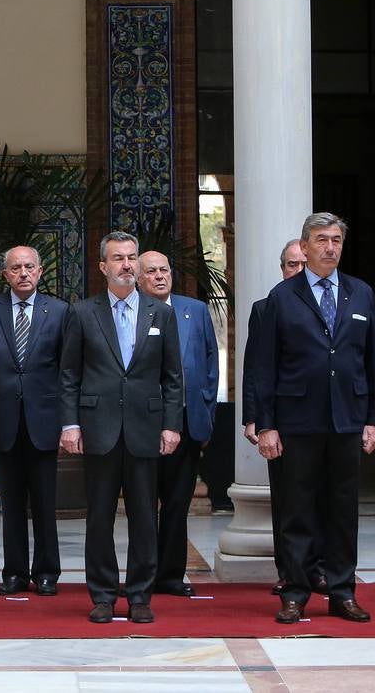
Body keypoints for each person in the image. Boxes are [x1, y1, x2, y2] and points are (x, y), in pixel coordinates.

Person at [247, 212, 375, 624]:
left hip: (347, 418)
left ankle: (342, 592)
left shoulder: (361, 294)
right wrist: (266, 423)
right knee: (296, 510)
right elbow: (263, 367)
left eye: (337, 240)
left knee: (342, 510)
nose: (330, 247)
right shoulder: (282, 297)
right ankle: (294, 591)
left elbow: (373, 358)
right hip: (296, 420)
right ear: (304, 247)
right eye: (322, 240)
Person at [59, 231, 183, 624]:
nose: (126, 265)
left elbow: (173, 376)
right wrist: (71, 424)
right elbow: (68, 376)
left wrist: (171, 425)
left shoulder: (160, 313)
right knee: (99, 517)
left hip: (146, 428)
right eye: (118, 258)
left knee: (145, 517)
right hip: (99, 428)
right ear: (103, 266)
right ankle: (102, 595)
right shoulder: (82, 313)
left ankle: (141, 595)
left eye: (131, 258)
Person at [0, 245, 66, 598]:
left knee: (45, 502)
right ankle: (14, 572)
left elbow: (66, 369)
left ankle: (47, 572)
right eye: (16, 268)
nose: (24, 273)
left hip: (45, 420)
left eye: (30, 267)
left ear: (41, 271)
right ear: (6, 275)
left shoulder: (59, 312)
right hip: (3, 420)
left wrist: (68, 422)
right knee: (11, 503)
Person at [243, 237, 324, 596]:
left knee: (323, 499)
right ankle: (290, 570)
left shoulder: (332, 304)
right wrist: (256, 419)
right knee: (288, 500)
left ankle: (319, 568)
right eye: (293, 265)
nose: (299, 271)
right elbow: (255, 369)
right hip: (283, 421)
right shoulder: (267, 307)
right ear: (282, 269)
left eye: (305, 264)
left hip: (326, 421)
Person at [136, 250, 219, 597]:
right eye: (151, 271)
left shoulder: (194, 310)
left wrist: (207, 416)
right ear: (138, 278)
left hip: (186, 423)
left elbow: (211, 366)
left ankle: (171, 575)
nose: (160, 276)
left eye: (164, 269)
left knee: (177, 503)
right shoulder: (132, 312)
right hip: (143, 424)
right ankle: (143, 574)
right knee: (143, 505)